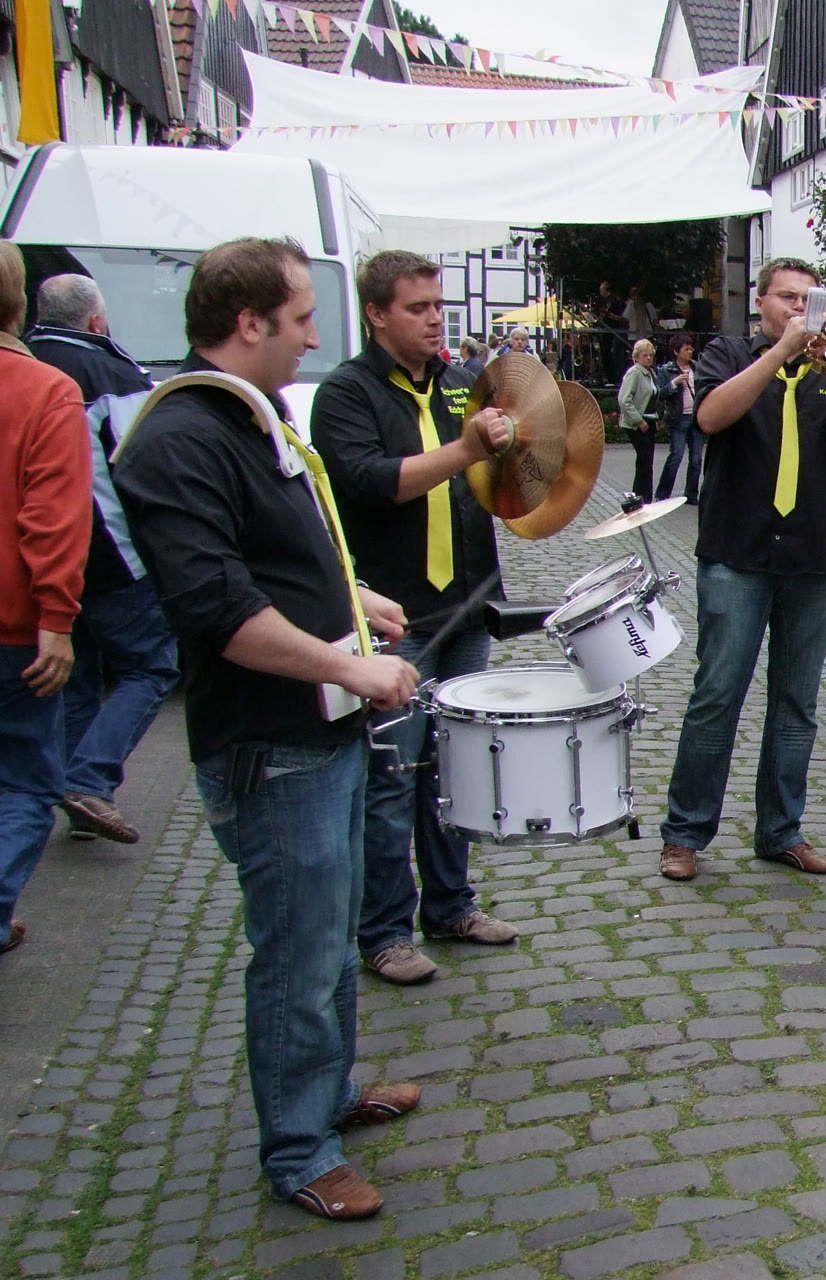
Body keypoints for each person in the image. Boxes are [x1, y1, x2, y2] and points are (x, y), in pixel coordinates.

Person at [113, 236, 425, 1219]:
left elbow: (283, 553)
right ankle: (299, 1148)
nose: (313, 339)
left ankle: (327, 1095)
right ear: (247, 322)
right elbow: (218, 607)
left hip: (317, 732)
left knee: (330, 938)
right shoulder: (181, 439)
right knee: (297, 951)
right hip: (270, 744)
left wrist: (351, 597)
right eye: (299, 319)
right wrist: (349, 665)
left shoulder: (252, 418)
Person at [310, 249, 518, 987]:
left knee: (456, 767)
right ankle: (384, 932)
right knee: (393, 774)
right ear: (376, 314)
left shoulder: (461, 385)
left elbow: (489, 481)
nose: (435, 320)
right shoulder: (346, 393)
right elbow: (371, 484)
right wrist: (465, 450)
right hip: (396, 617)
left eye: (439, 306)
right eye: (418, 308)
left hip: (466, 605)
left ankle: (452, 905)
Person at [656, 257, 826, 883]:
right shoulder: (728, 354)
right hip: (739, 552)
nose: (799, 310)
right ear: (761, 303)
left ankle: (781, 830)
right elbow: (709, 418)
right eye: (787, 298)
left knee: (796, 703)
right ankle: (685, 833)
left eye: (809, 300)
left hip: (816, 556)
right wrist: (780, 353)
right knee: (717, 695)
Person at [27, 274, 181, 845]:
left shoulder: (24, 363)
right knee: (153, 667)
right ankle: (89, 779)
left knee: (77, 680)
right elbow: (148, 464)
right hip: (111, 554)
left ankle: (76, 795)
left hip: (43, 555)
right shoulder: (116, 375)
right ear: (97, 321)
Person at [0, 241, 92, 956]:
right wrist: (57, 619)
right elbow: (54, 516)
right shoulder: (43, 390)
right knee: (29, 786)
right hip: (15, 629)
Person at [654, 333, 701, 503]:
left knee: (696, 458)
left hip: (696, 417)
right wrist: (674, 383)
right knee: (676, 455)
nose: (690, 352)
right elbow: (660, 393)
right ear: (676, 351)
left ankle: (691, 494)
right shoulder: (666, 370)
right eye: (686, 349)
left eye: (691, 348)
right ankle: (663, 493)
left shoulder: (697, 368)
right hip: (678, 418)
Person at [620, 338, 662, 500]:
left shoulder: (651, 373)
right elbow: (624, 400)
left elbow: (653, 397)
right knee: (644, 460)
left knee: (647, 461)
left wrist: (656, 418)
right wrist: (638, 420)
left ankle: (644, 496)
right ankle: (640, 496)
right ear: (637, 357)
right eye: (645, 355)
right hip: (637, 422)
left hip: (650, 419)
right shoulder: (635, 373)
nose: (649, 358)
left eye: (651, 355)